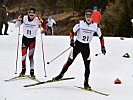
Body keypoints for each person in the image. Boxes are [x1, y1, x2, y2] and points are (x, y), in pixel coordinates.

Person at [52, 9, 106, 89]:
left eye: (90, 17)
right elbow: (72, 32)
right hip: (77, 45)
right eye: (87, 16)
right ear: (85, 16)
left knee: (87, 66)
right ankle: (60, 75)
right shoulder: (80, 24)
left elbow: (101, 37)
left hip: (86, 47)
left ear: (92, 17)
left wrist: (103, 47)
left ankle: (86, 83)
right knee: (69, 62)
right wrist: (72, 40)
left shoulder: (95, 26)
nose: (88, 18)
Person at [15, 7, 44, 78]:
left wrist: (42, 22)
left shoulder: (37, 20)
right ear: (28, 13)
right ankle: (23, 71)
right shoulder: (24, 18)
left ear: (35, 14)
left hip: (32, 40)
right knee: (23, 56)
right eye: (30, 14)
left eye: (32, 15)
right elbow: (16, 26)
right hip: (25, 39)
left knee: (31, 57)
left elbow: (45, 28)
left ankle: (32, 72)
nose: (31, 16)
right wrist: (18, 20)